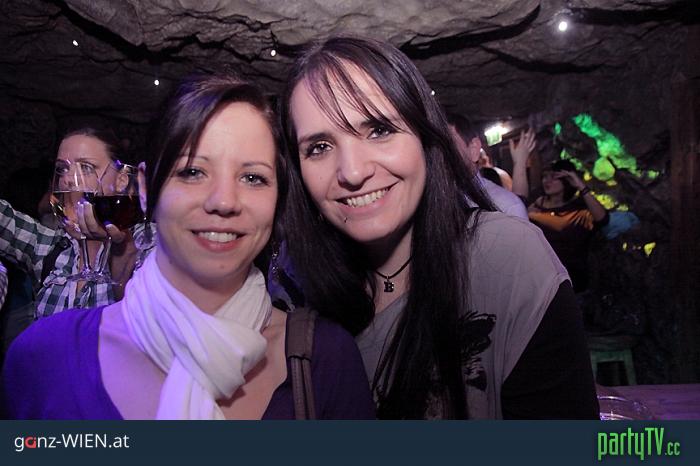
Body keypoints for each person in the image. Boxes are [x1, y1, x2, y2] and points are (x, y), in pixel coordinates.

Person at [1, 74, 374, 420]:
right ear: (144, 188)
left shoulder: (324, 361)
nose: (224, 200)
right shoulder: (44, 358)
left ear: (278, 198)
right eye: (192, 172)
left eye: (252, 177)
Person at [277, 36, 598, 419]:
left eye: (378, 130)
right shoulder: (300, 291)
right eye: (319, 147)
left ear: (424, 136)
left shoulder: (505, 257)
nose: (353, 171)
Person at [0, 127, 144, 319]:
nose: (68, 179)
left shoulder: (149, 242)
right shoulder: (49, 247)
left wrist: (122, 248)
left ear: (121, 181)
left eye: (86, 167)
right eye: (62, 169)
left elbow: (146, 317)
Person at [523, 159, 609, 294]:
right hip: (540, 278)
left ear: (566, 180)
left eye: (553, 177)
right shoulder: (535, 204)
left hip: (572, 278)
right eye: (544, 176)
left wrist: (581, 186)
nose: (547, 181)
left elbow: (602, 219)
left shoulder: (578, 209)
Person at [448, 114, 529, 220]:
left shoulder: (506, 207)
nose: (436, 157)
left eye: (447, 146)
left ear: (474, 149)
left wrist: (520, 164)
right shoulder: (431, 200)